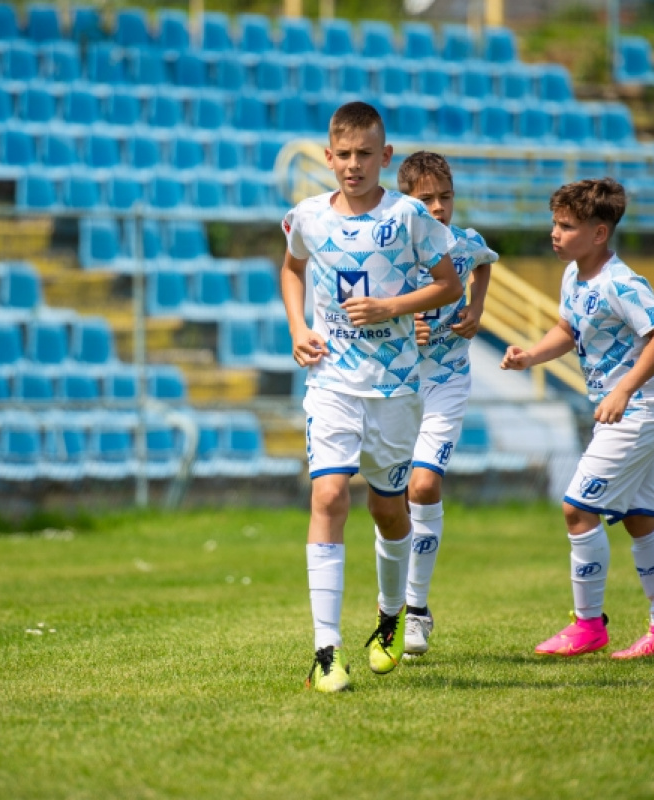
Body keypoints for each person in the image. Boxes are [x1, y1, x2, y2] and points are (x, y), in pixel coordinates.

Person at [280, 101, 462, 692]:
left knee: (389, 510)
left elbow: (448, 283)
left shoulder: (410, 215)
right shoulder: (307, 216)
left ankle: (390, 616)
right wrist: (297, 328)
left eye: (366, 154)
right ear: (327, 157)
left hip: (395, 390)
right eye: (343, 155)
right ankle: (325, 652)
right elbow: (291, 268)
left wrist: (391, 307)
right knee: (329, 496)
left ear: (385, 157)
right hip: (332, 383)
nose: (353, 165)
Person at [501, 177, 654, 659]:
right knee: (639, 519)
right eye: (554, 223)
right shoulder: (574, 276)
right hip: (627, 409)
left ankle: (588, 625)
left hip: (638, 409)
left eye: (567, 226)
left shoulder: (621, 283)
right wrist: (530, 356)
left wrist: (625, 390)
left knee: (576, 508)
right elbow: (568, 328)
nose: (555, 233)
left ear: (599, 233)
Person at [396, 151, 497, 656]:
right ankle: (391, 604)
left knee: (425, 483)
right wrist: (399, 323)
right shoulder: (389, 251)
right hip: (394, 385)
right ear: (404, 201)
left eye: (445, 197)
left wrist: (476, 308)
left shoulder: (466, 243)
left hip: (448, 380)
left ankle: (416, 609)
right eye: (425, 199)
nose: (437, 207)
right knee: (389, 503)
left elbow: (483, 265)